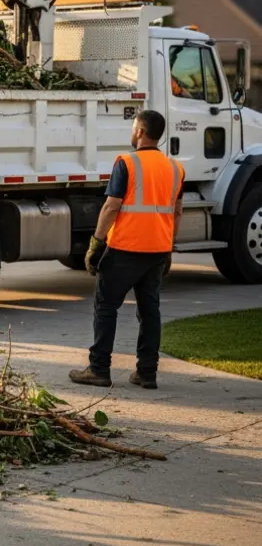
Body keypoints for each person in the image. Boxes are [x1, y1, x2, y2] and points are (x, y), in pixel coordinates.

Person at [69, 109, 183, 390]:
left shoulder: (127, 163)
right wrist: (168, 249)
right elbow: (177, 213)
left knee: (106, 306)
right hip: (156, 251)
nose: (132, 132)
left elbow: (111, 206)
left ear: (141, 132)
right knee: (150, 310)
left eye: (134, 127)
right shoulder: (175, 169)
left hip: (125, 249)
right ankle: (147, 372)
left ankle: (99, 369)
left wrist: (96, 243)